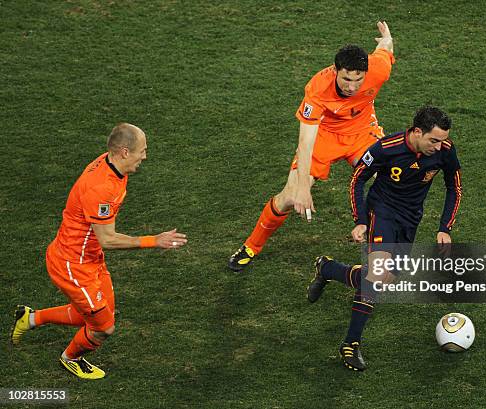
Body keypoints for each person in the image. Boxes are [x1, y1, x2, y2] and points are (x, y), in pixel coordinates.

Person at [10, 123, 188, 380]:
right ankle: (70, 358)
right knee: (104, 328)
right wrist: (154, 241)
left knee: (100, 313)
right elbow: (107, 239)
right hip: (72, 265)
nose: (145, 156)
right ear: (125, 152)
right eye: (143, 150)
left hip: (90, 258)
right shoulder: (101, 188)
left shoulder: (113, 167)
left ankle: (31, 318)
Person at [228, 21, 395, 271]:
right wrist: (304, 186)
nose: (352, 87)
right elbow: (305, 143)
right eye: (346, 79)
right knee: (288, 197)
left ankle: (380, 245)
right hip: (322, 136)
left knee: (392, 176)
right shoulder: (318, 88)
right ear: (335, 71)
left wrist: (386, 38)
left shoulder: (378, 69)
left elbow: (386, 49)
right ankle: (251, 246)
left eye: (358, 80)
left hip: (361, 132)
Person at [307, 106, 462, 371]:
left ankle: (328, 268)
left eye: (442, 140)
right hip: (382, 212)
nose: (438, 146)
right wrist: (360, 220)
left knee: (383, 280)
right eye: (433, 140)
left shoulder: (444, 152)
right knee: (378, 275)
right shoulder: (386, 148)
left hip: (410, 220)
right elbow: (358, 180)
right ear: (416, 132)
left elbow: (454, 187)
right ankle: (350, 344)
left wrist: (444, 227)